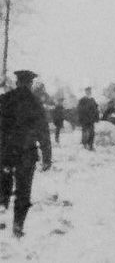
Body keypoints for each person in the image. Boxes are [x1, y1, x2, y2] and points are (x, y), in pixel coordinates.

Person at [0, 70, 52, 237]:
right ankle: (18, 226)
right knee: (23, 190)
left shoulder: (5, 100)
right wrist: (47, 157)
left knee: (2, 185)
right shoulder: (36, 103)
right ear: (30, 84)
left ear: (17, 83)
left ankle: (1, 209)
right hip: (26, 153)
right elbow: (43, 132)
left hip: (6, 152)